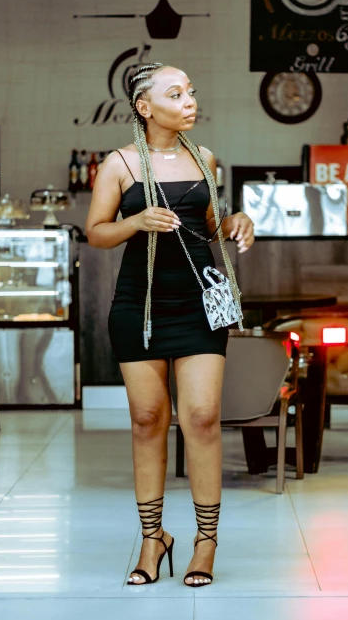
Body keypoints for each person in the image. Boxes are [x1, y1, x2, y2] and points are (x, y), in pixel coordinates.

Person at [85, 63, 255, 588]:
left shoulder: (203, 159)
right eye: (175, 93)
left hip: (200, 302)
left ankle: (206, 542)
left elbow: (207, 228)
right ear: (145, 106)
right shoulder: (119, 165)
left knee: (201, 417)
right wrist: (135, 222)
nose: (189, 101)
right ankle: (153, 537)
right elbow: (95, 233)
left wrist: (234, 221)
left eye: (191, 92)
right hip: (139, 305)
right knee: (147, 420)